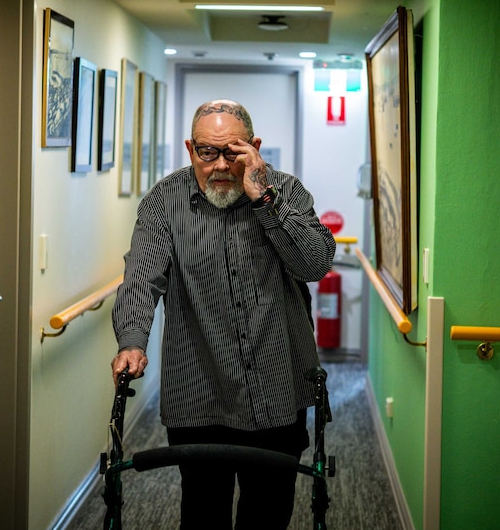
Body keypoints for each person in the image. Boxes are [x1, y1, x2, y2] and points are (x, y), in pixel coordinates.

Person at [111, 98, 336, 529]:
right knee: (203, 513)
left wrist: (262, 198)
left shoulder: (284, 191)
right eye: (205, 152)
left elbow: (314, 265)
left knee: (268, 513)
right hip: (200, 391)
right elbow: (142, 277)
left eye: (230, 153)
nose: (216, 165)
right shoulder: (165, 201)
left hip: (278, 390)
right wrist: (132, 341)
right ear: (190, 148)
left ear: (252, 147)